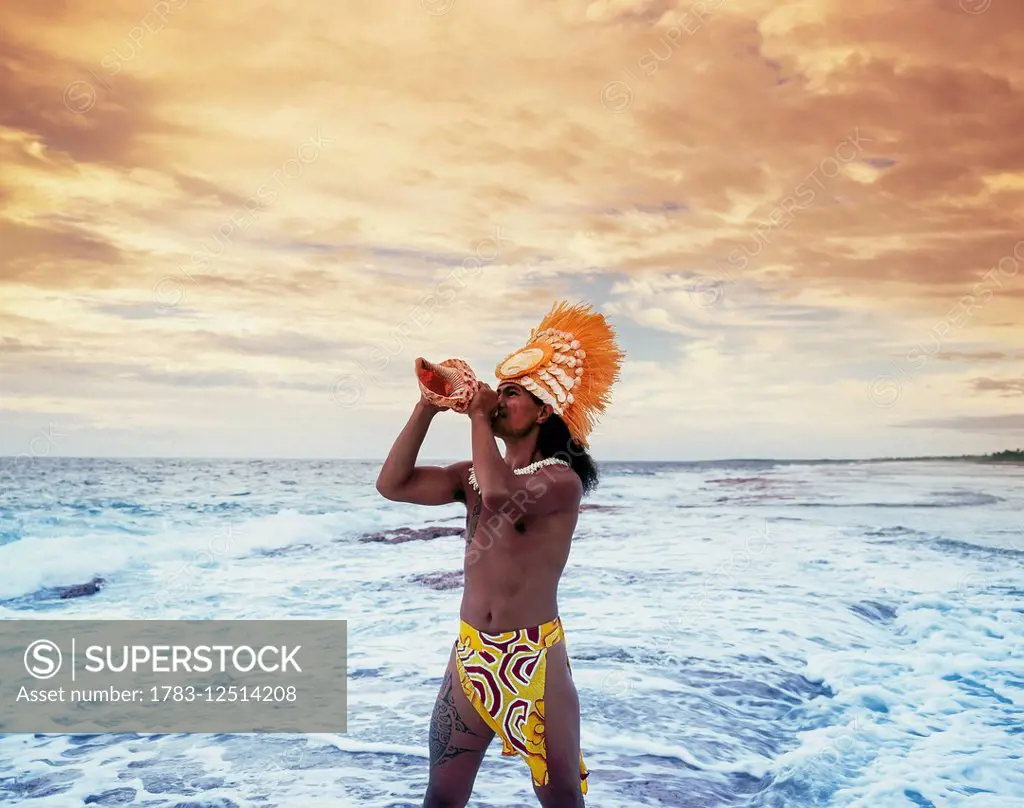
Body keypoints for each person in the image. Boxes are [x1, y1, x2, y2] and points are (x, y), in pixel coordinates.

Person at [375, 301, 624, 808]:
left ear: (544, 411)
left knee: (561, 803)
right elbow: (392, 484)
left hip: (532, 663)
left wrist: (476, 413)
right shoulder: (473, 473)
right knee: (441, 797)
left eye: (511, 395)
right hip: (471, 658)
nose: (499, 401)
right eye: (499, 394)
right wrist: (427, 404)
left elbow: (500, 494)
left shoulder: (561, 481)